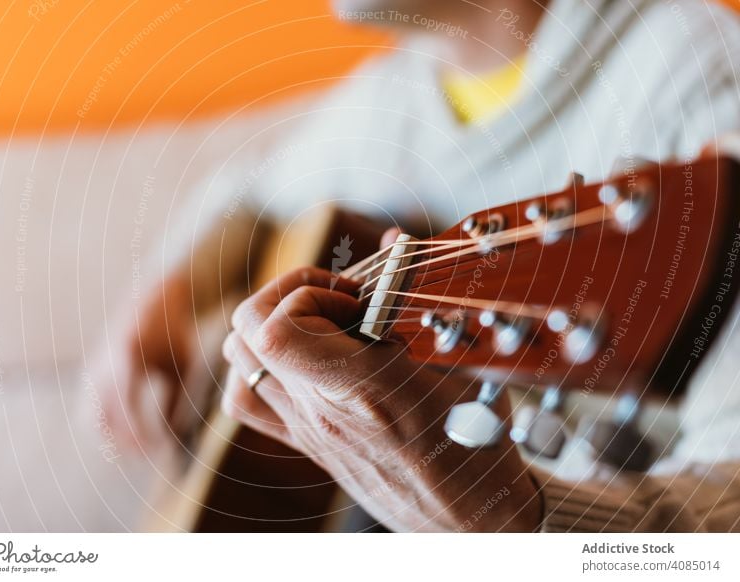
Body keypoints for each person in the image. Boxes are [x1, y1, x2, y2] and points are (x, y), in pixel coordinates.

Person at [99, 0, 740, 531]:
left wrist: (512, 525)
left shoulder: (693, 68)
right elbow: (248, 195)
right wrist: (165, 298)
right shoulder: (387, 97)